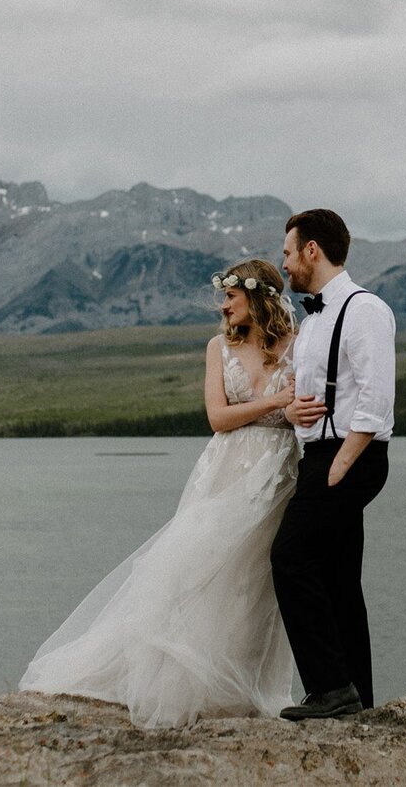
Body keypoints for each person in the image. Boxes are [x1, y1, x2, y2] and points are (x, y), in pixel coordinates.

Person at [20, 259, 301, 727]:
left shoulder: (296, 346)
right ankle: (190, 685)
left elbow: (296, 415)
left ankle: (242, 688)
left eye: (230, 296)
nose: (223, 305)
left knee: (256, 582)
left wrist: (295, 408)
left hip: (277, 474)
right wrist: (274, 401)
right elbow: (217, 417)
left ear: (256, 297)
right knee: (202, 569)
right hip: (225, 470)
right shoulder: (218, 348)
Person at [271, 208, 396, 720]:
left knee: (289, 558)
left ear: (312, 250)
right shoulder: (314, 318)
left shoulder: (365, 310)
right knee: (340, 579)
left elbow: (375, 396)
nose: (284, 264)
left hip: (351, 455)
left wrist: (340, 465)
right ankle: (357, 698)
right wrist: (293, 411)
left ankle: (327, 687)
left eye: (287, 252)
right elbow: (315, 392)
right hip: (321, 453)